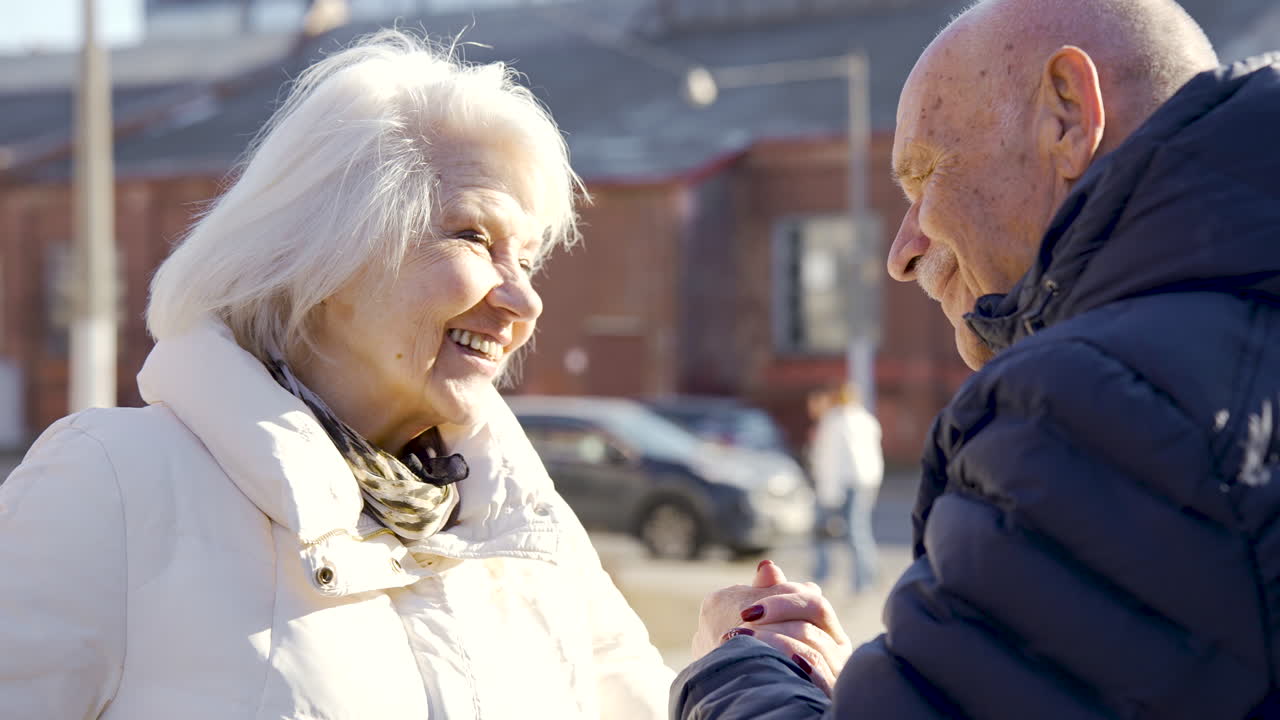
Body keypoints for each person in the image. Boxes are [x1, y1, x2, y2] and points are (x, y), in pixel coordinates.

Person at [0, 31, 673, 719]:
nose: (523, 301)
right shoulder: (111, 483)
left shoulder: (530, 523)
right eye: (474, 237)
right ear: (328, 254)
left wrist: (743, 667)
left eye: (526, 260)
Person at [674, 0, 1280, 717]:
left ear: (1067, 114)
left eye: (924, 172)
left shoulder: (1101, 406)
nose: (901, 255)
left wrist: (738, 669)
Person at [809, 384, 883, 593]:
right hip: (865, 482)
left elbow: (831, 461)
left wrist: (829, 494)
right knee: (859, 531)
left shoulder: (835, 421)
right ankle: (866, 577)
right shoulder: (865, 419)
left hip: (840, 483)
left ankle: (823, 576)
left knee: (826, 530)